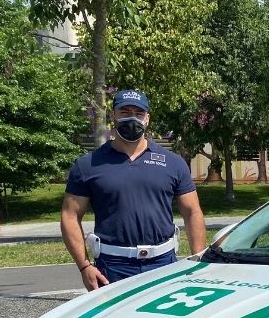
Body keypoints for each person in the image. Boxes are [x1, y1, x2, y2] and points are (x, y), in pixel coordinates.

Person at [61, 89, 206, 290]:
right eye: (124, 112)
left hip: (163, 264)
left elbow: (192, 212)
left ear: (147, 119)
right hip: (112, 268)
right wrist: (84, 266)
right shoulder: (88, 165)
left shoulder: (173, 163)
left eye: (138, 113)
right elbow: (70, 215)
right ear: (113, 116)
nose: (132, 118)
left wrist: (197, 258)